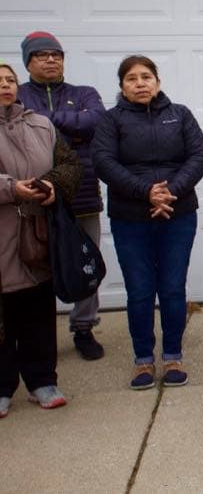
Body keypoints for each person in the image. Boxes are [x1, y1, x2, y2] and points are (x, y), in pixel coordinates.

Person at [92, 56, 203, 390]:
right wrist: (146, 193)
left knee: (173, 287)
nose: (140, 83)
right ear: (122, 86)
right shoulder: (111, 120)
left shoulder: (180, 115)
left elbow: (199, 156)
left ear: (157, 81)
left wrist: (169, 192)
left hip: (178, 213)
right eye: (132, 78)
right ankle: (143, 360)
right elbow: (103, 162)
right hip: (131, 218)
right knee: (141, 290)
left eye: (146, 76)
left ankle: (173, 355)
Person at [17, 32, 106, 361]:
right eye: (41, 55)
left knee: (84, 262)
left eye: (56, 54)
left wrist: (41, 123)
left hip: (81, 195)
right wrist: (72, 127)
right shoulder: (17, 94)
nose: (51, 59)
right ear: (28, 62)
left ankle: (83, 327)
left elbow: (94, 121)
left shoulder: (84, 93)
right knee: (33, 265)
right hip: (31, 199)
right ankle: (36, 334)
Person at [1, 63, 81, 416]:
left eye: (9, 80)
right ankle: (2, 387)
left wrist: (51, 186)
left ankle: (42, 380)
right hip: (3, 232)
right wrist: (8, 188)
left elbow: (69, 165)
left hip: (37, 233)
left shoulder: (41, 124)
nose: (4, 85)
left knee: (37, 308)